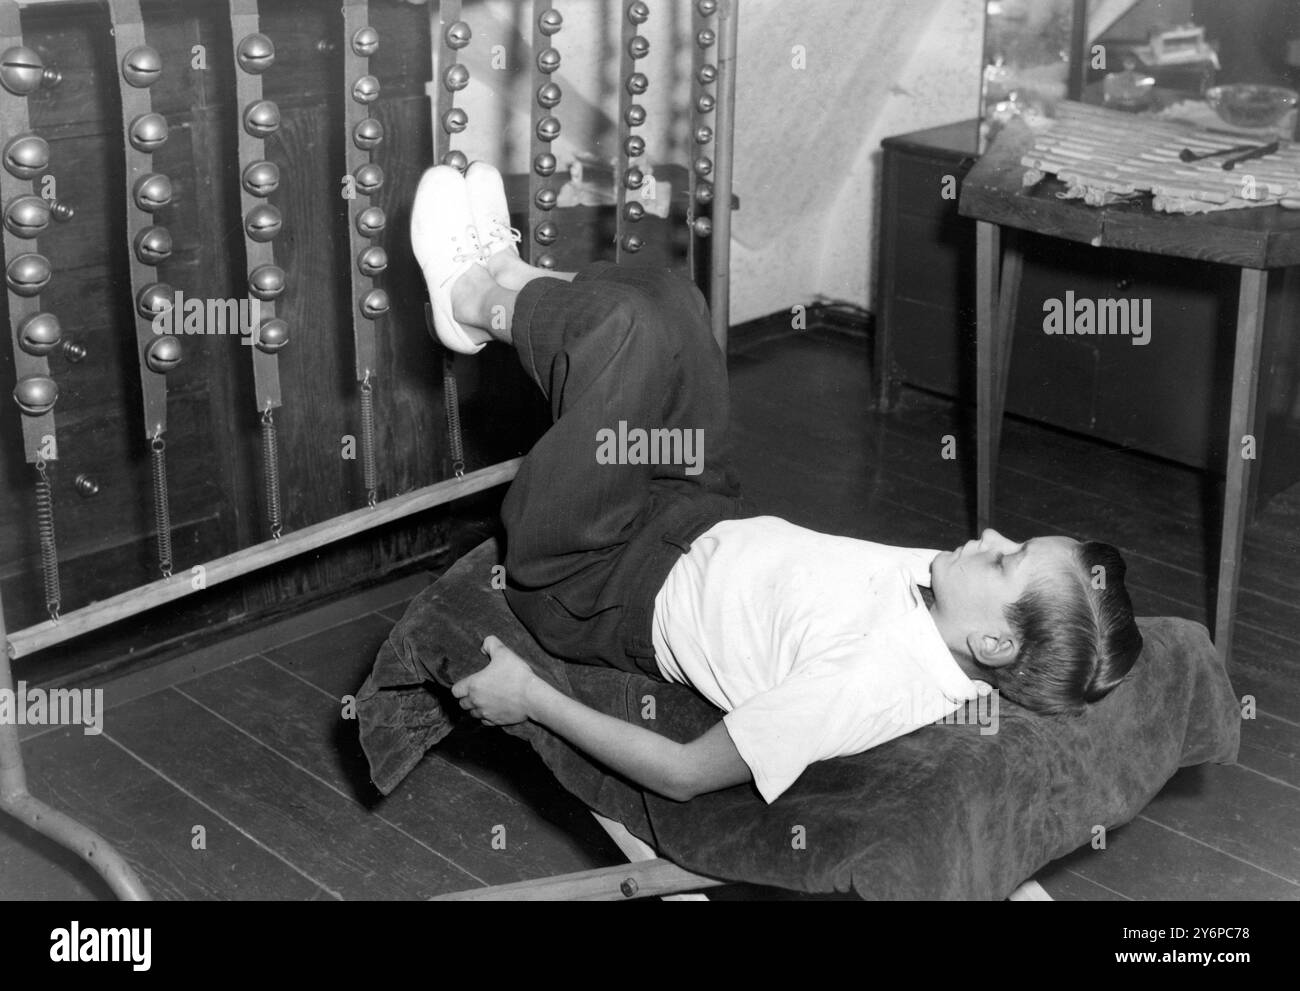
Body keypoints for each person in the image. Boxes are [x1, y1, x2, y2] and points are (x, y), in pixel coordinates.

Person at [410, 162, 1144, 805]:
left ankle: (470, 297)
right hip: (694, 507)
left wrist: (529, 698)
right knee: (675, 304)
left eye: (1007, 559)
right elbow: (1069, 651)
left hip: (596, 577)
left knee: (624, 336)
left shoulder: (866, 682)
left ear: (990, 641)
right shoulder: (959, 611)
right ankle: (508, 279)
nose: (989, 536)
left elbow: (685, 773)